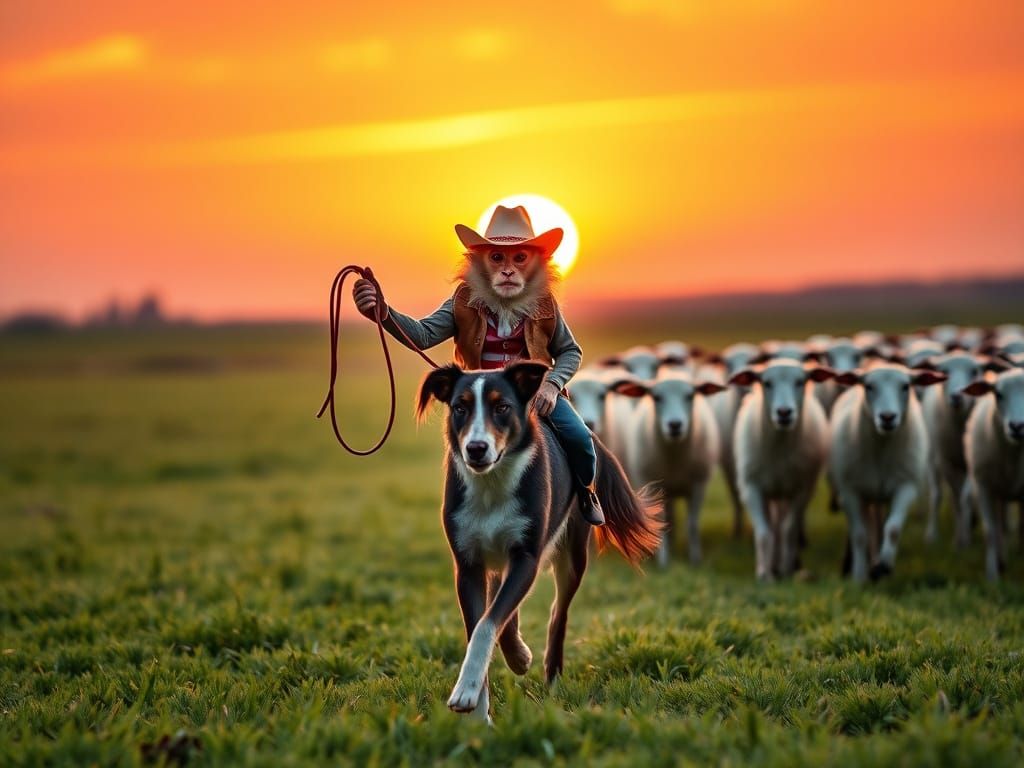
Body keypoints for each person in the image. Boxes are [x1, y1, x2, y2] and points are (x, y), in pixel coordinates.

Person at [352, 204, 605, 526]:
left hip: (533, 394)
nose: (508, 269)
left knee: (581, 439)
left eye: (520, 258)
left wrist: (552, 385)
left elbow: (570, 351)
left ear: (537, 263)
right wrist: (383, 312)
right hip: (480, 396)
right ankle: (463, 519)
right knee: (463, 446)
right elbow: (423, 334)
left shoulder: (545, 303)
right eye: (497, 257)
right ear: (479, 261)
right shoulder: (463, 299)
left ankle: (586, 492)